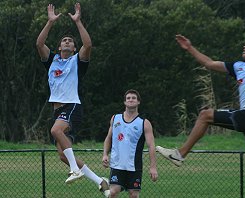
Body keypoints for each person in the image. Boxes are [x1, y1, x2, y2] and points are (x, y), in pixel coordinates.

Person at [156, 34, 245, 178]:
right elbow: (210, 64)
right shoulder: (237, 66)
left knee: (205, 115)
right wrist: (189, 47)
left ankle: (179, 154)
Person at [36, 3, 110, 197]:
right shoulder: (52, 60)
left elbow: (88, 45)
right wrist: (50, 22)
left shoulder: (77, 61)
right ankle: (100, 181)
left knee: (55, 130)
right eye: (64, 40)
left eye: (70, 41)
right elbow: (39, 44)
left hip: (72, 106)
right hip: (57, 110)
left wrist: (77, 22)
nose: (67, 42)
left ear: (74, 47)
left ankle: (75, 170)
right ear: (59, 46)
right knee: (63, 155)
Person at [102, 89, 158, 198]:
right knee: (113, 192)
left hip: (134, 166)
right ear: (124, 102)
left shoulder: (144, 123)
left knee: (133, 195)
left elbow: (151, 145)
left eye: (133, 98)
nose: (130, 100)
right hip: (117, 164)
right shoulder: (115, 118)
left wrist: (153, 167)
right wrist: (105, 154)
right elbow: (108, 138)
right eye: (128, 98)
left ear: (138, 102)